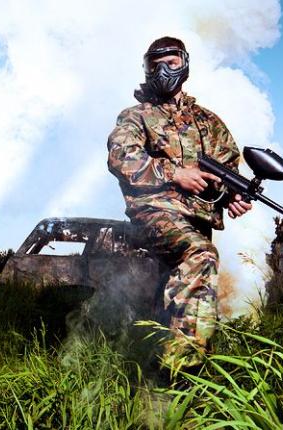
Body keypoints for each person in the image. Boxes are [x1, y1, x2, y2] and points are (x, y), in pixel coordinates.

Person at [107, 36, 252, 370]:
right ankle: (181, 374)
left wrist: (232, 197)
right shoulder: (136, 116)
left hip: (196, 218)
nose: (163, 71)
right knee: (201, 256)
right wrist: (176, 173)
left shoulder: (208, 122)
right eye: (155, 64)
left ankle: (154, 365)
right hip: (155, 212)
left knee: (186, 295)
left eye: (171, 63)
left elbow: (227, 168)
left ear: (185, 65)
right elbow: (121, 158)